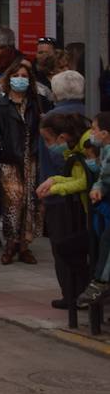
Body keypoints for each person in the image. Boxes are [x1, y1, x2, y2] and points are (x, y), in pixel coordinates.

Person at [36, 111, 94, 310]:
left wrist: (56, 188)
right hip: (91, 211)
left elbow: (86, 180)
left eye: (48, 139)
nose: (47, 145)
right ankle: (88, 291)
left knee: (71, 248)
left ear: (62, 137)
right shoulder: (73, 149)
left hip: (97, 212)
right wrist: (55, 181)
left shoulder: (86, 145)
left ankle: (92, 291)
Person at [0, 58, 47, 265]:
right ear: (9, 78)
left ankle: (24, 245)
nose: (20, 79)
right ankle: (10, 242)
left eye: (24, 76)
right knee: (13, 200)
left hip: (30, 158)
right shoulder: (0, 105)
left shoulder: (35, 104)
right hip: (9, 160)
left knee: (30, 202)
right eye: (16, 76)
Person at [77, 112, 110, 305]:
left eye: (94, 129)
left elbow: (105, 178)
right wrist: (99, 188)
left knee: (106, 239)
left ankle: (100, 282)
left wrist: (98, 188)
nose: (91, 133)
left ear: (104, 133)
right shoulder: (105, 151)